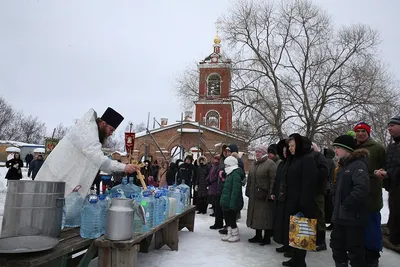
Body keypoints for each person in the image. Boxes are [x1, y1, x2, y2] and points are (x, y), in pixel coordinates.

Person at [35, 107, 138, 196]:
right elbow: (100, 160)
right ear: (103, 123)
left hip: (59, 181)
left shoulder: (91, 131)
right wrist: (124, 167)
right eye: (111, 130)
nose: (111, 134)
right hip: (54, 181)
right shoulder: (88, 134)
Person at [330, 135, 369, 267]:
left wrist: (346, 204)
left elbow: (361, 188)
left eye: (338, 148)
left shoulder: (359, 165)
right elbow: (336, 188)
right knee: (337, 246)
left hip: (353, 217)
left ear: (347, 149)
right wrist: (335, 202)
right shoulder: (341, 166)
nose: (336, 151)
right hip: (339, 216)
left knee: (355, 250)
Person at [353, 122, 386, 267]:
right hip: (354, 194)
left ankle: (373, 256)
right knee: (357, 227)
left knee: (372, 226)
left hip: (371, 194)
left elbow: (385, 167)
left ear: (368, 132)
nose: (360, 134)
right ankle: (359, 252)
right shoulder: (353, 147)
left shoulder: (378, 148)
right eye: (358, 131)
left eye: (363, 131)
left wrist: (379, 174)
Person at [376, 116, 400, 245]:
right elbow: (389, 164)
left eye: (393, 125)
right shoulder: (391, 146)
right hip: (393, 189)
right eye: (389, 125)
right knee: (394, 216)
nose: (389, 128)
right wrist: (382, 171)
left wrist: (388, 173)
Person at [246, 145, 277, 246]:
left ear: (264, 153)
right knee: (256, 216)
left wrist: (271, 193)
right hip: (255, 195)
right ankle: (258, 235)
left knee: (265, 216)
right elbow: (250, 179)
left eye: (259, 152)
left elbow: (274, 180)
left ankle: (266, 237)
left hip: (265, 195)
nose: (257, 153)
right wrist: (248, 190)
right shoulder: (254, 164)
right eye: (256, 152)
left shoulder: (270, 164)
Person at [220, 156, 244, 243]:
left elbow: (235, 190)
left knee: (232, 218)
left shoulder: (235, 173)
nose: (225, 166)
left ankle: (235, 234)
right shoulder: (229, 173)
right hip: (227, 200)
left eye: (226, 165)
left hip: (232, 201)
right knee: (228, 218)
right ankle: (229, 233)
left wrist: (232, 203)